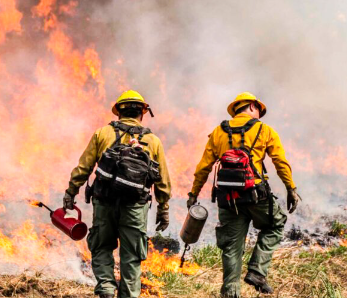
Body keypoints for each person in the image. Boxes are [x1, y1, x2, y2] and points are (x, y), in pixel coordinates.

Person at [187, 92, 300, 297]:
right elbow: (280, 163)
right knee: (276, 223)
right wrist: (291, 188)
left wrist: (193, 194)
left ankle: (230, 292)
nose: (259, 114)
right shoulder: (265, 130)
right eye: (258, 109)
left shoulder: (218, 132)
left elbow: (203, 167)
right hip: (257, 195)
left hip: (228, 198)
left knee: (231, 246)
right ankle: (257, 271)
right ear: (250, 107)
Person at [64, 90, 172, 298]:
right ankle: (129, 295)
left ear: (119, 112)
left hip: (104, 203)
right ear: (142, 112)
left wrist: (70, 192)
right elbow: (163, 181)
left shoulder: (102, 134)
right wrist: (163, 209)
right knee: (131, 256)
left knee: (102, 246)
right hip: (135, 207)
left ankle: (105, 287)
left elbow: (83, 168)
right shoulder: (153, 140)